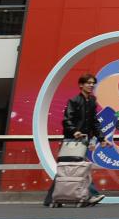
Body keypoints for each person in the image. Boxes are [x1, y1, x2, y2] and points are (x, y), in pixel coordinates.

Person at [44, 73, 109, 206]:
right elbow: (66, 120)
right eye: (88, 83)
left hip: (83, 141)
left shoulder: (92, 101)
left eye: (93, 83)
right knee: (73, 168)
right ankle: (92, 195)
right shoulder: (74, 101)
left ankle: (52, 199)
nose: (91, 85)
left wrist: (102, 138)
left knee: (69, 169)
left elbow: (94, 122)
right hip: (72, 141)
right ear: (81, 85)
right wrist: (75, 131)